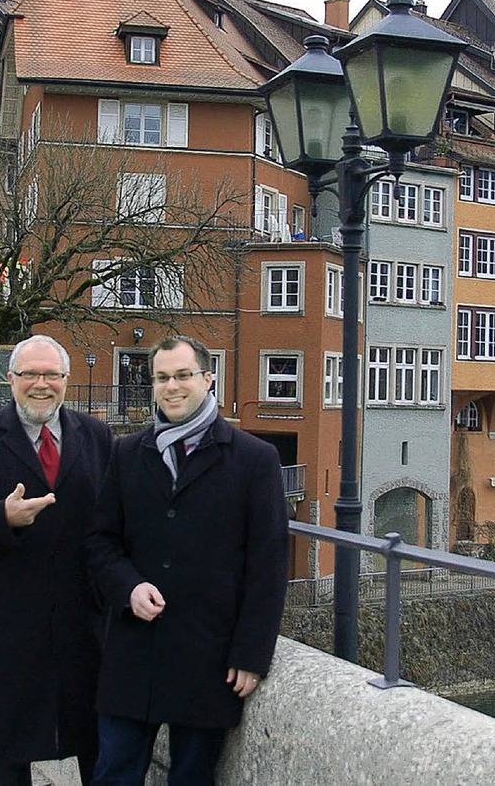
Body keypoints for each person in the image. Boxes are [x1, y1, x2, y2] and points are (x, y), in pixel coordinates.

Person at [86, 335, 289, 786]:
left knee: (191, 778)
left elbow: (269, 565)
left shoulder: (255, 460)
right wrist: (128, 587)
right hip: (132, 653)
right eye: (161, 378)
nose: (171, 387)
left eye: (182, 376)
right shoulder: (127, 453)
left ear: (207, 378)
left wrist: (252, 654)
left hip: (208, 657)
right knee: (113, 773)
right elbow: (101, 542)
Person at [0, 335, 114, 786]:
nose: (41, 384)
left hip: (83, 625)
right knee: (7, 755)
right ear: (10, 378)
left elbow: (118, 521)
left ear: (66, 381)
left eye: (51, 374)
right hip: (7, 627)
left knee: (97, 749)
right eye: (30, 374)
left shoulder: (96, 437)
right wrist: (1, 516)